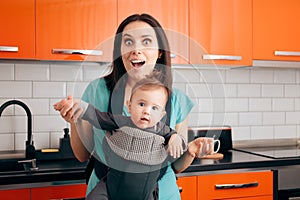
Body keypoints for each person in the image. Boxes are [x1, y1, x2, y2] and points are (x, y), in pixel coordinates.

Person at [54, 13, 209, 200]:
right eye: (128, 42)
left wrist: (191, 151)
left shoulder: (177, 100)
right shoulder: (97, 90)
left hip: (160, 194)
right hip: (107, 192)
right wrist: (74, 120)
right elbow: (82, 154)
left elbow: (176, 165)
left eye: (146, 42)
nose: (136, 50)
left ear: (159, 52)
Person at [54, 73, 186, 199]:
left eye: (154, 108)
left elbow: (180, 143)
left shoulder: (163, 130)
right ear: (129, 106)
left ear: (162, 115)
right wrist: (79, 106)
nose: (146, 111)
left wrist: (175, 138)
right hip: (112, 186)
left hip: (145, 191)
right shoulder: (121, 122)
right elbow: (98, 116)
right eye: (141, 104)